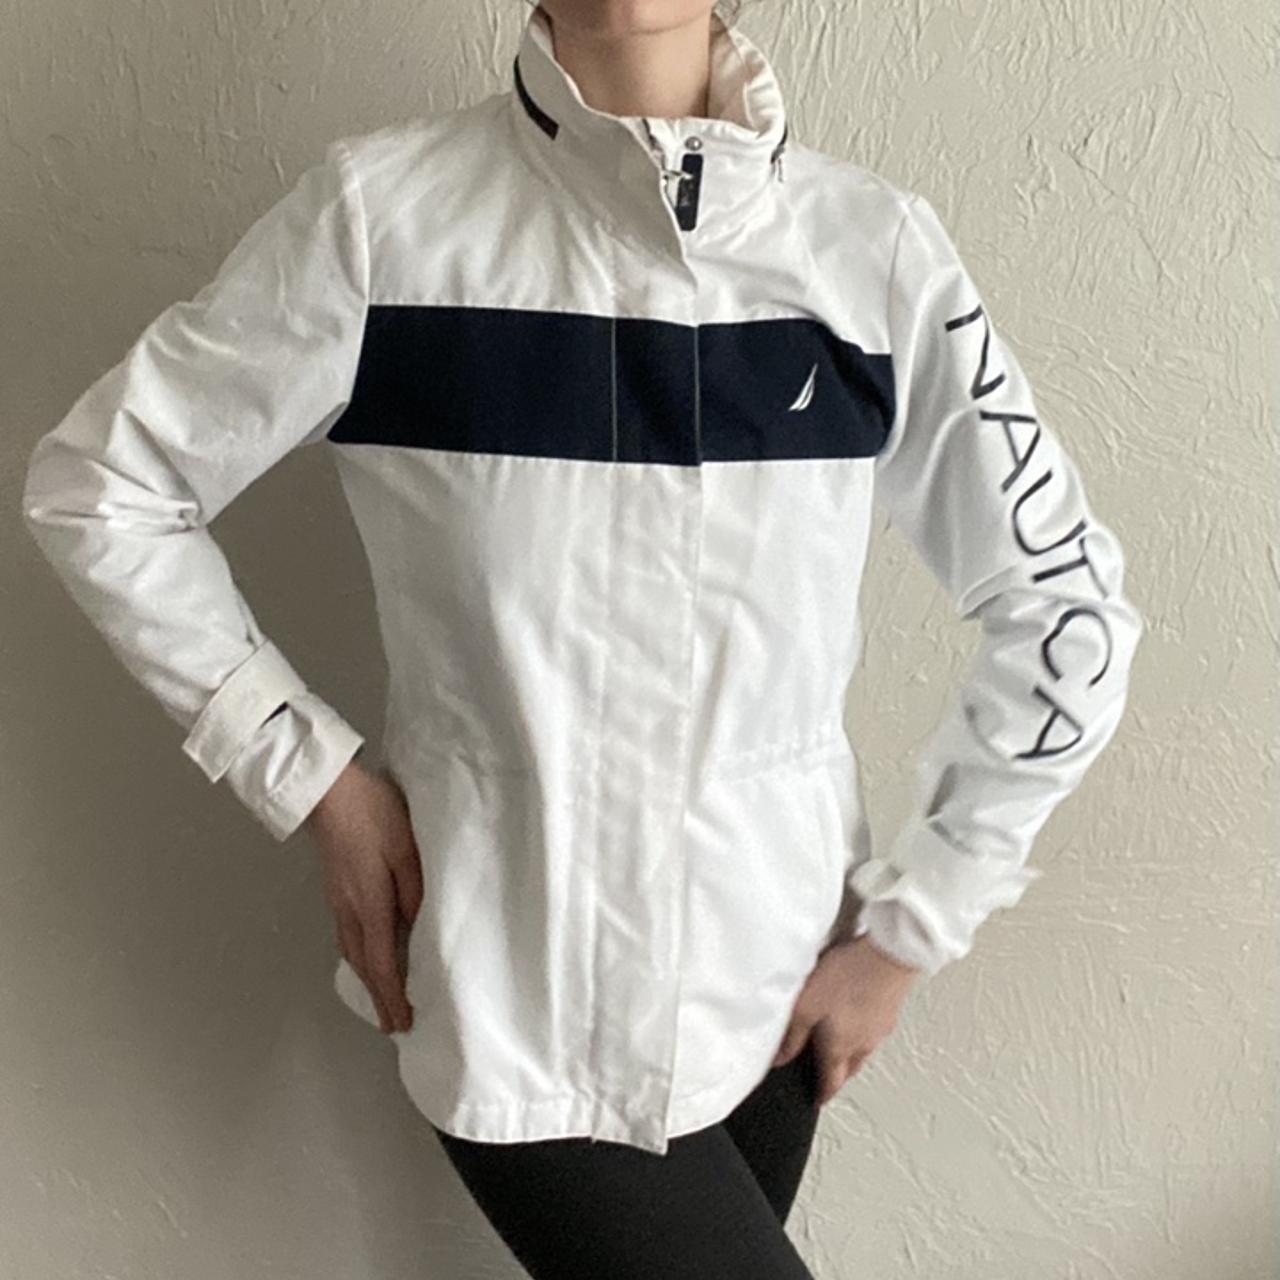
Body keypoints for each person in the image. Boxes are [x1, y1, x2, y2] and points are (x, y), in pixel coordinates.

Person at [20, 0, 1144, 1274]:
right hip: (513, 988)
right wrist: (311, 776)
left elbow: (1067, 606)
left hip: (774, 993)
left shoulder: (869, 255)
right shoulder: (384, 223)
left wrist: (912, 926)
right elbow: (102, 487)